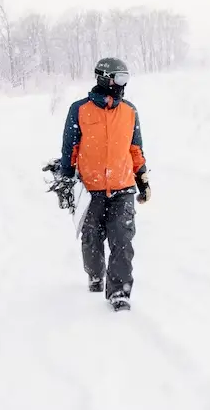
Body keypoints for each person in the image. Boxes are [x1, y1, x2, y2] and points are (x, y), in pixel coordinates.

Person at [50, 57, 150, 311]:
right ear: (105, 78)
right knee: (91, 240)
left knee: (122, 241)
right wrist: (65, 180)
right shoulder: (79, 110)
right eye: (120, 78)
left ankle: (120, 292)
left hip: (122, 188)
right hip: (90, 189)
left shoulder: (129, 111)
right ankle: (95, 274)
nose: (123, 84)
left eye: (126, 78)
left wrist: (143, 180)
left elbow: (135, 149)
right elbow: (69, 149)